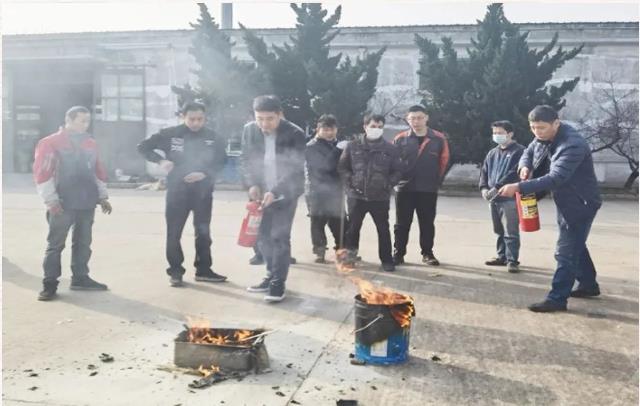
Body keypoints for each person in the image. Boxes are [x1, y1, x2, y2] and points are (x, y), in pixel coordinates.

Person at [499, 105, 602, 313]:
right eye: (533, 128)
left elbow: (556, 177)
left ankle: (557, 299)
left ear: (556, 123)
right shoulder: (543, 137)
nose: (537, 132)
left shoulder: (572, 144)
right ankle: (588, 285)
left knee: (565, 252)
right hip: (566, 200)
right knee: (576, 244)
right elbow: (529, 151)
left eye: (542, 128)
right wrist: (525, 166)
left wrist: (518, 187)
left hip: (581, 202)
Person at [137, 102, 227, 287]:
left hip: (203, 192)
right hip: (177, 192)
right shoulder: (170, 134)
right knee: (174, 233)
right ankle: (175, 272)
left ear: (205, 118)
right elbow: (143, 147)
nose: (196, 123)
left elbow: (221, 161)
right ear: (183, 117)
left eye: (200, 119)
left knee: (203, 233)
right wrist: (161, 161)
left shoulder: (213, 137)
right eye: (191, 119)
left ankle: (204, 270)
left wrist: (204, 174)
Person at [33, 106, 113, 301]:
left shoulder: (90, 143)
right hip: (62, 202)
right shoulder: (50, 143)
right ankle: (49, 284)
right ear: (68, 120)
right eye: (81, 121)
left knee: (83, 242)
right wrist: (51, 200)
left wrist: (102, 196)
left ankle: (80, 278)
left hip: (87, 201)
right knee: (55, 245)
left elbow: (98, 170)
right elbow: (43, 173)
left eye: (87, 121)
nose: (86, 125)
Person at [241, 95, 306, 302]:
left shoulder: (295, 133)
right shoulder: (250, 130)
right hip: (261, 193)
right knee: (263, 237)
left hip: (286, 193)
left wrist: (275, 191)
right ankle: (270, 275)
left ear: (280, 115)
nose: (264, 124)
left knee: (279, 237)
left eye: (269, 119)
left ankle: (278, 284)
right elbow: (246, 160)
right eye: (259, 118)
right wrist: (252, 184)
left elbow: (294, 168)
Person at [338, 114, 403, 272]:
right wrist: (350, 185)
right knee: (353, 229)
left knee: (383, 229)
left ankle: (386, 260)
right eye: (373, 126)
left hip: (380, 197)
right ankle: (350, 259)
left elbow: (398, 171)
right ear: (365, 127)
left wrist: (387, 184)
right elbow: (343, 167)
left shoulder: (390, 149)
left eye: (380, 127)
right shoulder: (353, 146)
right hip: (356, 196)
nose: (376, 129)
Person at [392, 105, 450, 266]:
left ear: (426, 118)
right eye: (412, 118)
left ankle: (427, 253)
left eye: (419, 118)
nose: (416, 121)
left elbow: (444, 161)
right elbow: (393, 162)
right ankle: (398, 254)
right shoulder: (400, 138)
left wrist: (435, 180)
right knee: (402, 223)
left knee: (427, 223)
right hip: (404, 188)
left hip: (428, 188)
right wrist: (397, 180)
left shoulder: (438, 138)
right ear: (407, 119)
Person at [479, 120, 526, 273]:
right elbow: (484, 171)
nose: (496, 135)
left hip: (509, 198)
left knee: (510, 231)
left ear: (510, 134)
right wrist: (484, 188)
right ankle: (502, 256)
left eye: (500, 133)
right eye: (494, 133)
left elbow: (514, 173)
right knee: (498, 230)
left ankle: (512, 260)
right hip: (493, 198)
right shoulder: (493, 153)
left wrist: (497, 187)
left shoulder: (520, 152)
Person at [305, 114, 346, 263]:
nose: (329, 133)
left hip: (336, 190)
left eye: (332, 129)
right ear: (318, 129)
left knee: (339, 221)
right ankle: (319, 251)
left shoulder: (339, 144)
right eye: (325, 129)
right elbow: (323, 167)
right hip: (317, 190)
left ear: (336, 129)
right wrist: (337, 150)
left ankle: (342, 250)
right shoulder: (311, 146)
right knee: (317, 222)